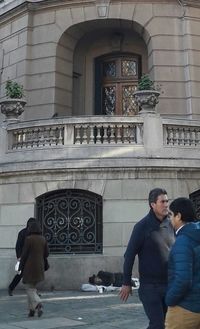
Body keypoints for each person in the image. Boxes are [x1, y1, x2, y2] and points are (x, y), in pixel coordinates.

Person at [119, 188, 175, 329]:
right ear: (152, 205)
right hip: (150, 287)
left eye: (167, 201)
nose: (166, 205)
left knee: (167, 325)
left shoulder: (171, 224)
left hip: (170, 285)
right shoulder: (141, 227)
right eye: (162, 201)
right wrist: (126, 282)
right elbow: (129, 255)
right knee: (157, 324)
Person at [165, 197, 200, 329]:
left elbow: (183, 279)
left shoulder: (183, 241)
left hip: (185, 308)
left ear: (178, 216)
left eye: (171, 215)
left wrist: (169, 299)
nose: (170, 219)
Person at [19, 220, 49, 317]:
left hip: (29, 267)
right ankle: (31, 311)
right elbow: (47, 253)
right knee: (32, 288)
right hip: (39, 267)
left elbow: (24, 255)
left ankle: (38, 303)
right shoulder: (43, 239)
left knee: (29, 288)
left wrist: (20, 266)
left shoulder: (29, 239)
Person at [8, 217, 36, 296]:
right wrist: (19, 257)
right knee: (20, 274)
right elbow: (18, 246)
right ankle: (11, 288)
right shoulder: (22, 233)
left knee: (33, 275)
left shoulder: (33, 233)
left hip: (31, 257)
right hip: (24, 257)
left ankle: (34, 292)